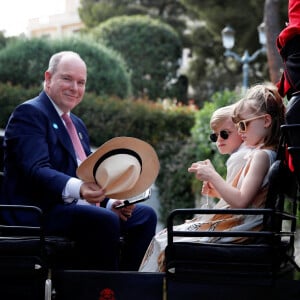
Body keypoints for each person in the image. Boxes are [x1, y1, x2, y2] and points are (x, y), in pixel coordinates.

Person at [1, 51, 158, 271]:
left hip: (71, 210)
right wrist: (83, 190)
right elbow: (36, 170)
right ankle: (100, 289)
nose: (75, 88)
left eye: (81, 82)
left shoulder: (77, 124)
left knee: (145, 216)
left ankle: (126, 286)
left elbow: (86, 177)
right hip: (39, 211)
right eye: (67, 79)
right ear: (48, 78)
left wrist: (110, 203)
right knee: (103, 220)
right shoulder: (29, 113)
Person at [139, 83, 285, 272]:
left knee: (165, 239)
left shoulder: (260, 156)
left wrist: (213, 176)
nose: (240, 131)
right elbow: (247, 199)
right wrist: (217, 190)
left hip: (242, 229)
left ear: (266, 121)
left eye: (244, 124)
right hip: (248, 225)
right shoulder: (266, 153)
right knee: (167, 236)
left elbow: (240, 202)